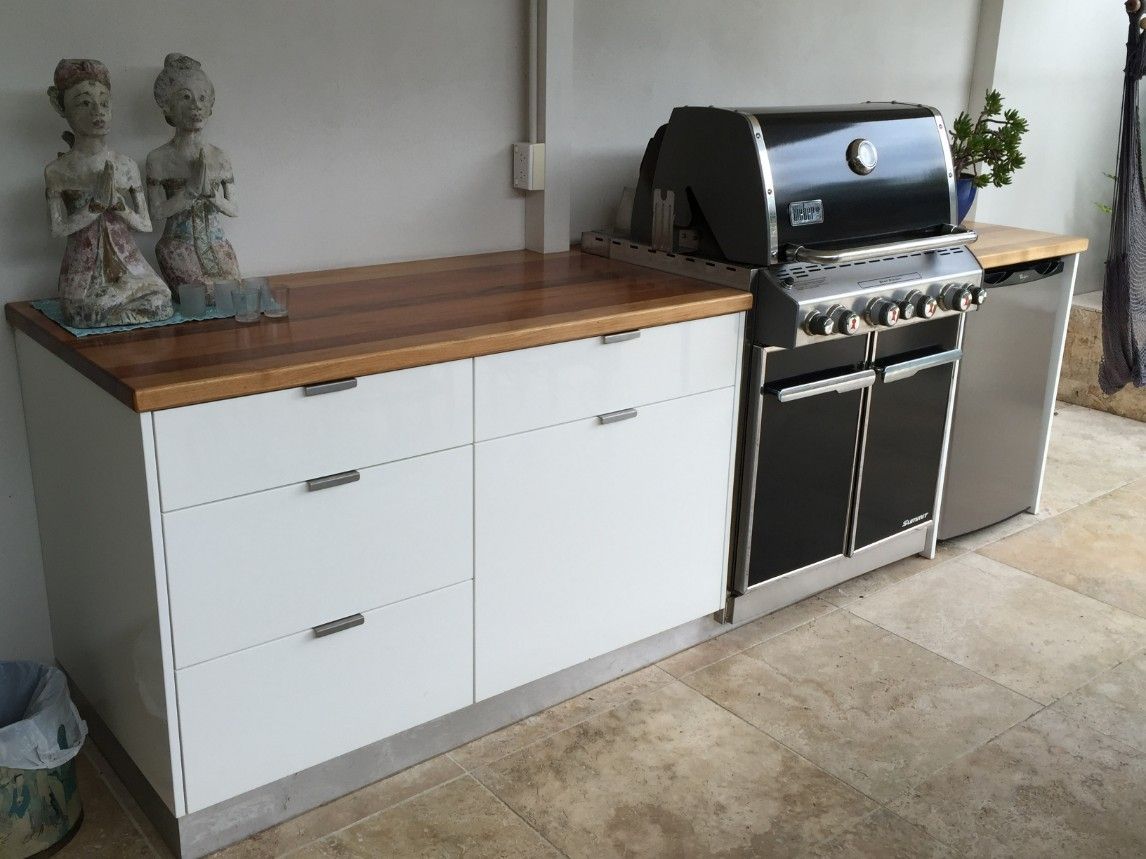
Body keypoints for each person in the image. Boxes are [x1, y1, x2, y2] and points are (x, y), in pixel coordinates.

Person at [45, 59, 173, 327]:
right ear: (62, 107)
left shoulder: (125, 165)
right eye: (84, 103)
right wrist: (94, 207)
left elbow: (146, 224)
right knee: (85, 312)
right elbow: (58, 229)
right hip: (83, 270)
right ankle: (112, 307)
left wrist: (120, 206)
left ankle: (115, 305)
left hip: (129, 265)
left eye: (104, 102)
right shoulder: (58, 170)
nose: (97, 111)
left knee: (162, 301)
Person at [146, 53, 241, 303]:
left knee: (233, 293)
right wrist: (189, 190)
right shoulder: (159, 159)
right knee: (203, 296)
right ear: (168, 106)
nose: (195, 106)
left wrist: (211, 194)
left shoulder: (220, 157)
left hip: (216, 243)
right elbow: (156, 213)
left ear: (210, 105)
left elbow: (233, 208)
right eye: (186, 97)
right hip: (177, 244)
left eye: (201, 98)